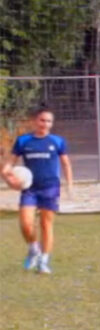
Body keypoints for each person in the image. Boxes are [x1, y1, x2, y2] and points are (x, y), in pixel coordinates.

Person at [1, 106, 73, 274]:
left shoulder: (57, 141)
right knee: (25, 223)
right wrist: (7, 175)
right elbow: (10, 163)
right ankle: (34, 249)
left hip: (50, 187)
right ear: (35, 121)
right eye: (42, 120)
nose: (45, 124)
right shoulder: (23, 141)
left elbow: (66, 163)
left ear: (52, 123)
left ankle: (44, 262)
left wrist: (69, 184)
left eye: (49, 121)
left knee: (46, 225)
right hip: (30, 189)